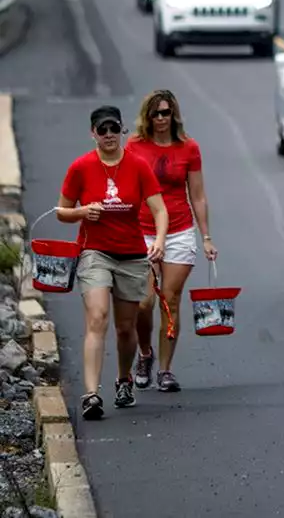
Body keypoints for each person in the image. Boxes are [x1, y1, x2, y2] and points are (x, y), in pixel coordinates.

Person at [55, 106, 167, 420]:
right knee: (97, 317)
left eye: (113, 130)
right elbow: (61, 211)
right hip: (95, 251)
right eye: (102, 130)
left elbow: (159, 209)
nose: (108, 136)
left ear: (121, 132)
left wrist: (158, 240)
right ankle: (91, 394)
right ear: (93, 133)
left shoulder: (138, 166)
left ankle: (123, 378)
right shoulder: (81, 167)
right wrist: (81, 212)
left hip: (132, 254)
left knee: (125, 327)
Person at [126, 89, 218, 393]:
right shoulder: (135, 146)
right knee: (143, 302)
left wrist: (205, 236)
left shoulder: (189, 148)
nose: (161, 118)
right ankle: (145, 353)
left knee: (170, 300)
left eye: (166, 112)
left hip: (179, 230)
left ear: (174, 115)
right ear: (147, 117)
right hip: (142, 230)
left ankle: (165, 370)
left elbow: (199, 195)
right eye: (156, 113)